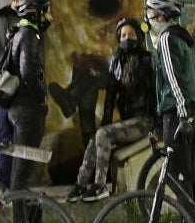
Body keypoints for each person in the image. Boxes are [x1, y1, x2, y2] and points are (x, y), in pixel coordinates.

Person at [65, 17, 156, 202]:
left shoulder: (147, 60)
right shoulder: (117, 60)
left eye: (131, 34)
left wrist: (159, 123)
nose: (127, 38)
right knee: (97, 136)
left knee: (103, 135)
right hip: (128, 121)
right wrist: (106, 119)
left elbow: (157, 92)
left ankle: (100, 185)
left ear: (138, 36)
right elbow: (110, 94)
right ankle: (80, 184)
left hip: (145, 121)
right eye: (123, 35)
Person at [145, 0, 195, 187]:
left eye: (149, 13)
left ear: (161, 16)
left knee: (177, 179)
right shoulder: (183, 36)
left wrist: (183, 117)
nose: (146, 18)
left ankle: (187, 218)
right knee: (188, 177)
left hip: (178, 115)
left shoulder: (167, 38)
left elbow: (174, 81)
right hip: (194, 111)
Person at [0, 0, 33, 189]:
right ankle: (5, 183)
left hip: (27, 89)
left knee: (24, 138)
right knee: (6, 135)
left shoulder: (30, 17)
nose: (28, 2)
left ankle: (19, 184)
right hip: (8, 87)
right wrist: (5, 86)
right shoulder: (1, 17)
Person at [6, 0, 52, 206]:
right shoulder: (29, 35)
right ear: (36, 14)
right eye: (46, 12)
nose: (49, 16)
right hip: (28, 110)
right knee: (20, 178)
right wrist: (42, 96)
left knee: (20, 177)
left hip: (19, 109)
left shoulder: (21, 33)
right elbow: (28, 73)